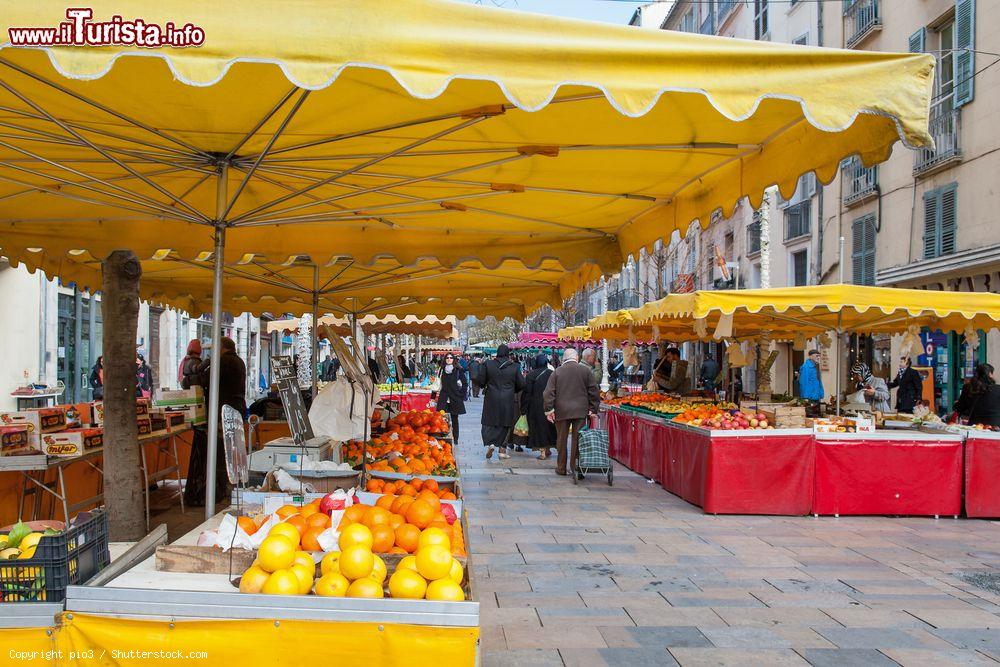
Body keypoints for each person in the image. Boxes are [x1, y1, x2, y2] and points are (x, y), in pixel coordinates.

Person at [184, 337, 245, 507]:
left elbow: (203, 380)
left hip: (223, 412)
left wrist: (188, 379)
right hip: (237, 410)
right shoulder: (239, 361)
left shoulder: (223, 362)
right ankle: (231, 486)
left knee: (222, 451)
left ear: (222, 348)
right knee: (233, 450)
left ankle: (222, 488)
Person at [543, 348, 600, 478]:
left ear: (564, 359)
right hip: (581, 411)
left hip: (561, 410)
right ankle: (577, 468)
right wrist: (593, 409)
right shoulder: (586, 371)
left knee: (561, 439)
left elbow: (548, 393)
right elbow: (594, 391)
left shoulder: (557, 372)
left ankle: (561, 468)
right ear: (577, 358)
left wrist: (549, 410)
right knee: (578, 439)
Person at [477, 344, 524, 460]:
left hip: (491, 398)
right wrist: (512, 390)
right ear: (508, 354)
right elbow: (522, 384)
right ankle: (502, 450)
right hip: (507, 399)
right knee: (505, 423)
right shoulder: (514, 367)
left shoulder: (488, 364)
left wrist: (487, 385)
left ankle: (491, 443)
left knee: (489, 422)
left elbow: (480, 381)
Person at [522, 353, 557, 460]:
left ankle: (542, 451)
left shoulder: (531, 375)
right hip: (551, 404)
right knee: (550, 427)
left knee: (539, 428)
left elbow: (527, 393)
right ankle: (549, 448)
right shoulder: (553, 374)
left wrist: (523, 408)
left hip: (535, 406)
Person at [437, 353, 466, 443]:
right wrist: (432, 398)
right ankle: (444, 436)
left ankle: (455, 438)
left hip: (455, 397)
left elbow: (465, 384)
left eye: (451, 358)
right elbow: (437, 384)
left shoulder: (458, 370)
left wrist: (460, 394)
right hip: (444, 397)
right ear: (445, 359)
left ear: (454, 359)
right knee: (443, 418)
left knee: (454, 418)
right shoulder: (441, 370)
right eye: (447, 358)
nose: (449, 359)